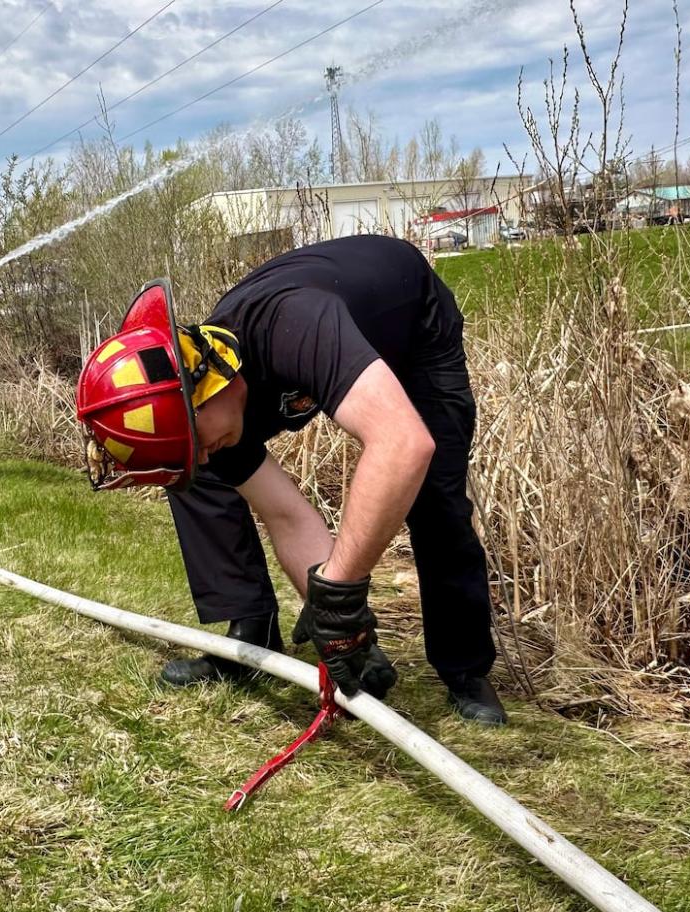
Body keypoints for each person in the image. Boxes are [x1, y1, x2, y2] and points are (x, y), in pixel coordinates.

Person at [76, 235, 506, 725]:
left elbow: (403, 444)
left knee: (433, 495)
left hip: (412, 328)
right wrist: (342, 629)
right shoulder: (217, 401)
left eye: (198, 441)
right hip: (317, 344)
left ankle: (466, 670)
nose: (205, 453)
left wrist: (340, 592)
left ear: (206, 386)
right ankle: (254, 632)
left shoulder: (293, 323)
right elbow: (286, 517)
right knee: (201, 478)